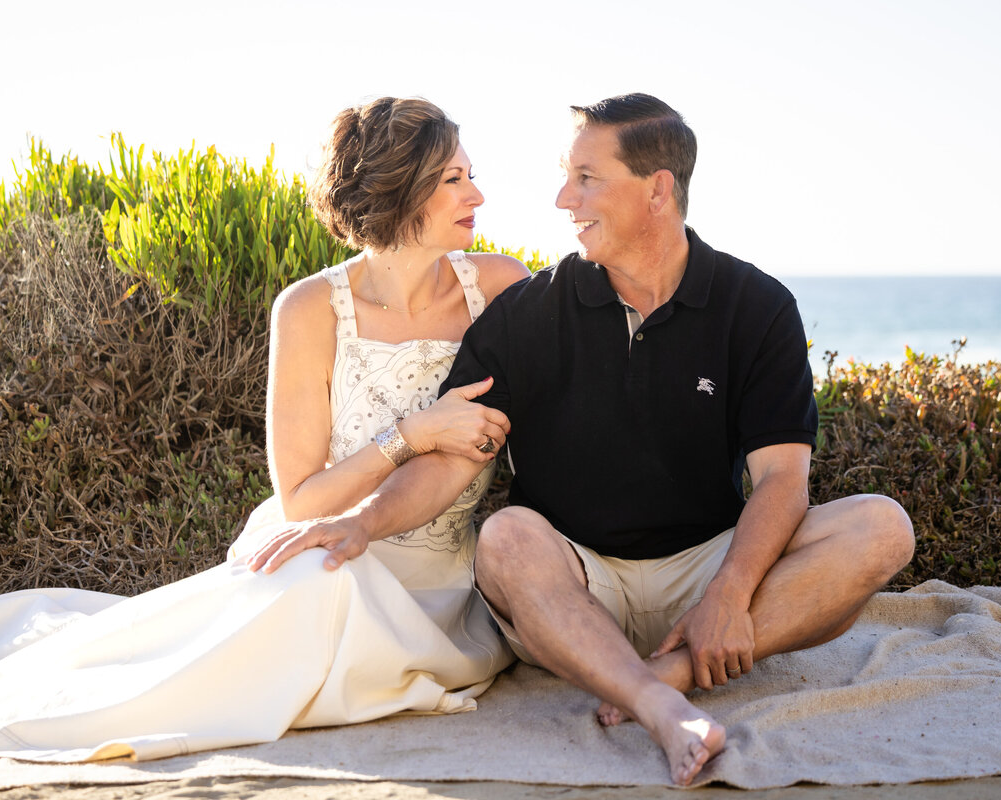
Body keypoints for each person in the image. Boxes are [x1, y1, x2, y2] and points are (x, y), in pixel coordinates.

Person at [252, 93, 916, 786]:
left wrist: (728, 592)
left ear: (657, 190)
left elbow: (783, 480)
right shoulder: (530, 309)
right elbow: (453, 461)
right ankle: (658, 702)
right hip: (573, 581)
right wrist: (365, 522)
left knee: (881, 528)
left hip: (704, 568)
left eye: (586, 179)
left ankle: (671, 671)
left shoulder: (757, 306)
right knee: (505, 538)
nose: (564, 198)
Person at [0, 97, 530, 762]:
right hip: (319, 550)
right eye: (453, 179)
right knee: (310, 579)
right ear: (400, 187)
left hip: (440, 583)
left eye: (469, 174)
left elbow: (502, 429)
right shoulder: (311, 310)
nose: (476, 193)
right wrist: (413, 433)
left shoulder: (503, 286)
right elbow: (304, 502)